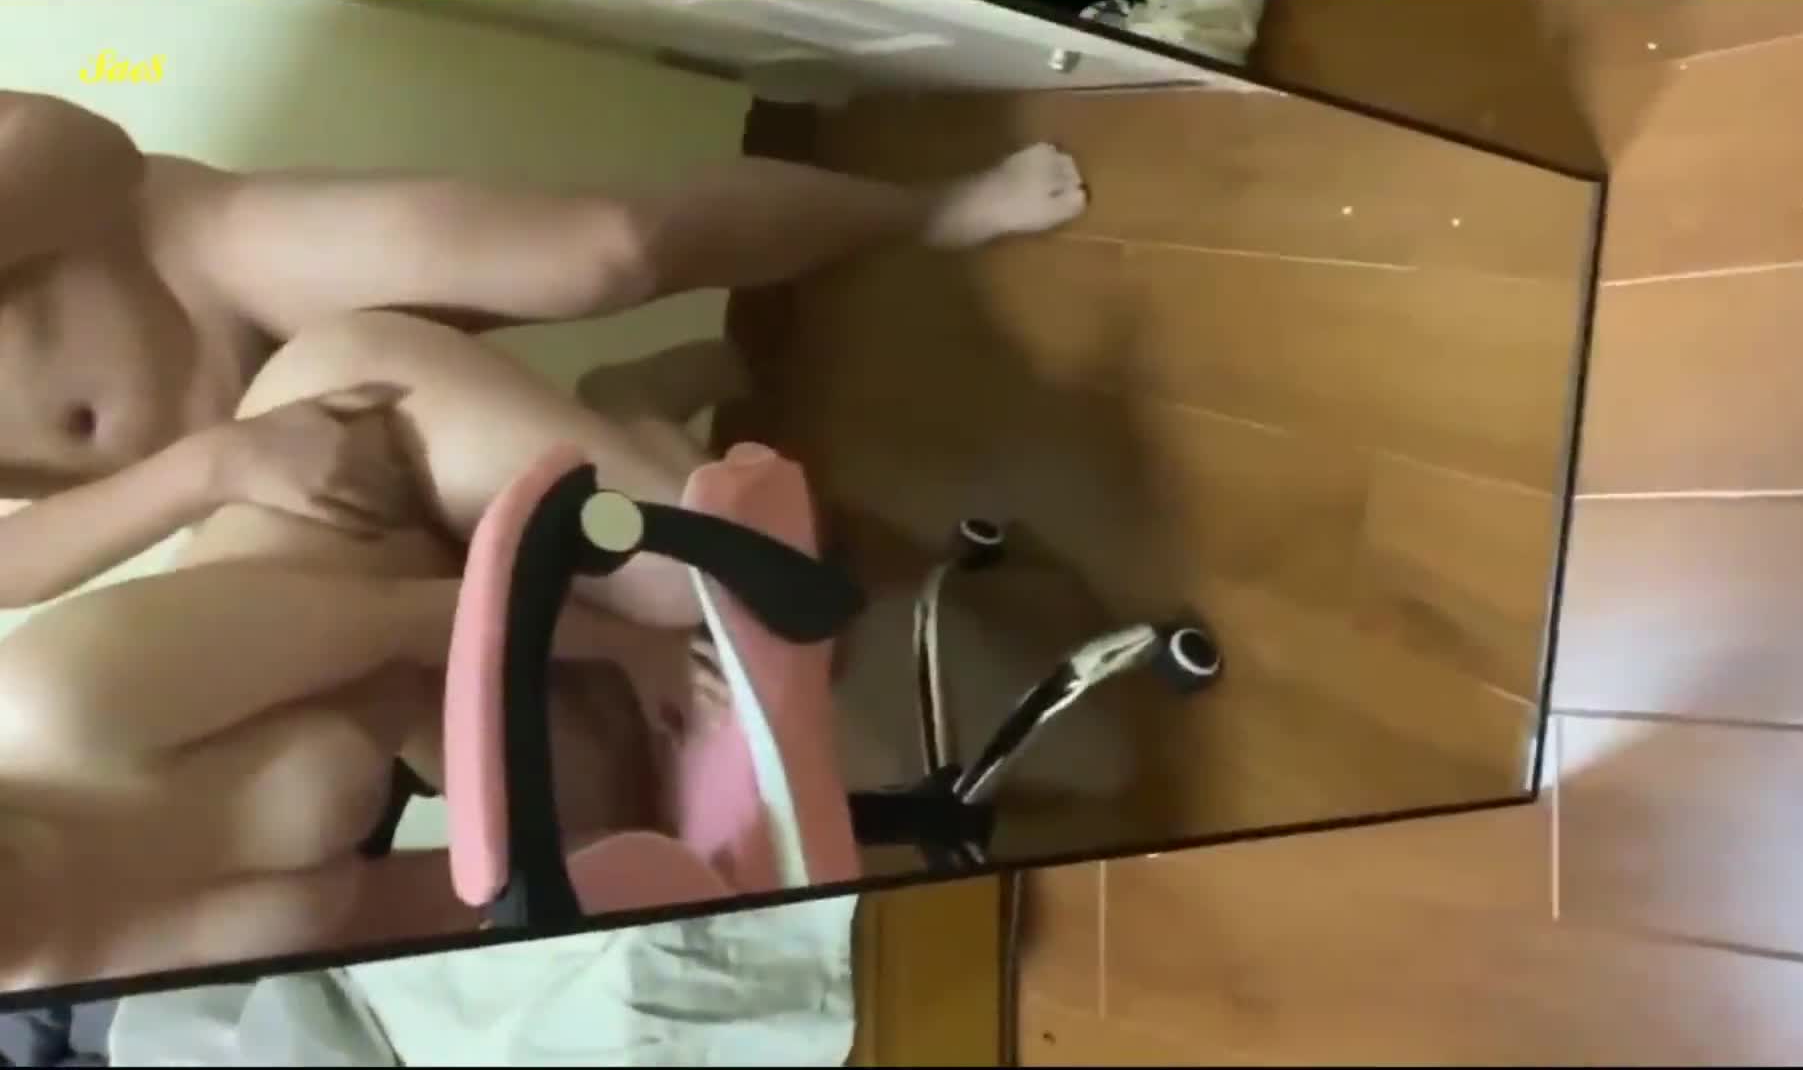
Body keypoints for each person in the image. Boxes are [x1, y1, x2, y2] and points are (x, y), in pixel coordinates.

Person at [0, 90, 1089, 621]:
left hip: (194, 257)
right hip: (207, 457)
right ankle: (633, 409)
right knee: (634, 595)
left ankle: (923, 208)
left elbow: (97, 156)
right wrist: (212, 467)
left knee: (600, 253)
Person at [0, 308, 792, 994]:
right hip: (424, 673)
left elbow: (398, 615)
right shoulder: (57, 969)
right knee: (637, 831)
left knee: (687, 590)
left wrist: (636, 650)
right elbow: (440, 903)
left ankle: (629, 409)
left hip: (374, 468)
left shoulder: (54, 704)